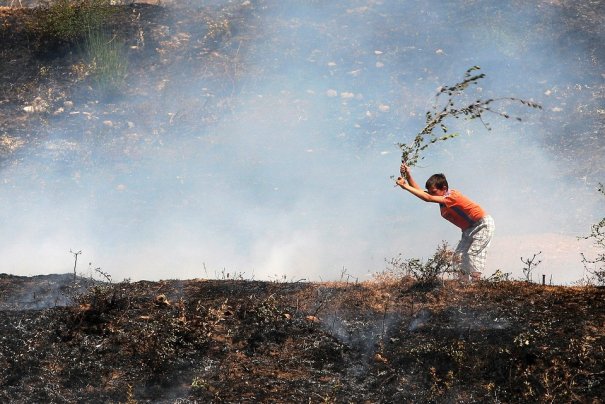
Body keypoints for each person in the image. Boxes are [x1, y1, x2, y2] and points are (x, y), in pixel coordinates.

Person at [396, 163, 495, 282]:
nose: (431, 193)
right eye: (430, 191)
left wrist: (405, 187)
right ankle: (463, 284)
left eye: (433, 191)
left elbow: (428, 198)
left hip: (482, 225)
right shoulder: (440, 198)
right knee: (458, 257)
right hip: (468, 229)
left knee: (472, 254)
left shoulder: (452, 196)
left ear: (444, 188)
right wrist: (407, 174)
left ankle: (476, 284)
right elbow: (421, 192)